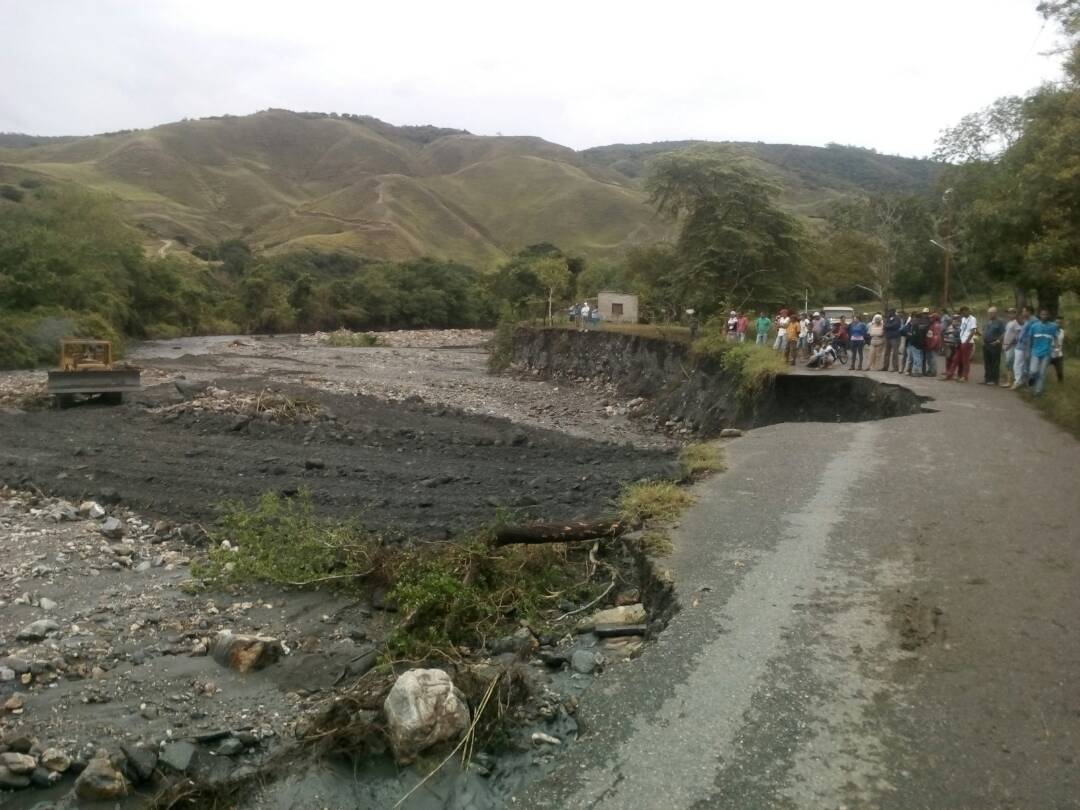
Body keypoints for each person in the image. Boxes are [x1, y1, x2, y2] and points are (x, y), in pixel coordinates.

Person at [1028, 308, 1059, 397]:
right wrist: (1028, 351)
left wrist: (1056, 350)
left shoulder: (1053, 326)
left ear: (1048, 316)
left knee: (1042, 373)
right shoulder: (1034, 326)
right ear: (1040, 315)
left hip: (1046, 353)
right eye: (1042, 314)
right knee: (1033, 371)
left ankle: (1038, 392)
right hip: (1035, 352)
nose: (1044, 316)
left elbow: (1056, 338)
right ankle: (1032, 379)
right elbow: (1030, 339)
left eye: (1046, 314)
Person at [944, 306, 977, 381]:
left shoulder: (972, 319)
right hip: (961, 341)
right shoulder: (963, 319)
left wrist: (966, 341)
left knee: (965, 360)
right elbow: (961, 330)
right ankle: (950, 374)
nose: (963, 314)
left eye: (963, 312)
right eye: (962, 312)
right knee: (955, 359)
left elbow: (973, 331)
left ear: (967, 311)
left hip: (967, 342)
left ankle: (965, 376)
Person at [1011, 307, 1034, 389]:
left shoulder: (1032, 322)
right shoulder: (1026, 321)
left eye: (1024, 311)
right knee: (1020, 364)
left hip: (1024, 346)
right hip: (1020, 345)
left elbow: (1030, 335)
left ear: (1029, 312)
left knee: (1018, 364)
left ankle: (1018, 381)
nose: (1022, 313)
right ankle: (1022, 381)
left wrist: (1026, 345)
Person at [981, 306, 1005, 385]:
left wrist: (998, 341)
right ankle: (987, 379)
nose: (989, 314)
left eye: (991, 313)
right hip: (986, 344)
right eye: (989, 313)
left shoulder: (1000, 322)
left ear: (995, 313)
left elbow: (1003, 333)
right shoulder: (987, 321)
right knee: (987, 362)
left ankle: (994, 380)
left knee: (994, 362)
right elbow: (984, 331)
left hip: (995, 344)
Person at [907, 308, 930, 376]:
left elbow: (914, 335)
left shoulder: (915, 324)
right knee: (920, 357)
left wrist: (912, 341)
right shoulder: (923, 325)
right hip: (921, 343)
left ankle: (916, 372)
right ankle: (920, 371)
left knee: (917, 358)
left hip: (916, 343)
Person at [1002, 307, 1021, 386]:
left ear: (1015, 314)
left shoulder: (1015, 323)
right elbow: (1006, 334)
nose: (1009, 314)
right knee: (1007, 363)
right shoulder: (1009, 322)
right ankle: (1008, 380)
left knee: (1009, 363)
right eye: (1008, 313)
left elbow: (1017, 336)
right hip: (1006, 345)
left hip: (1011, 346)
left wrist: (1009, 345)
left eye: (1011, 313)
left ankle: (1010, 381)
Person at [1051, 317, 1066, 383]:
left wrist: (1059, 349)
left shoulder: (1062, 332)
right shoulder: (1050, 331)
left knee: (1060, 370)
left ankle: (1060, 382)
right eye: (1056, 322)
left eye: (1059, 323)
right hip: (1049, 353)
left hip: (1059, 354)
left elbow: (1063, 342)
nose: (1057, 324)